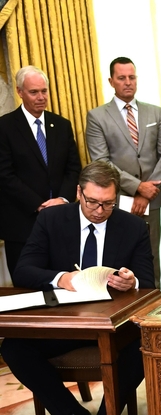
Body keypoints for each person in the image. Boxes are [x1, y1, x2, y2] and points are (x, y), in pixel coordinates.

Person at [1, 161, 155, 415]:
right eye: (93, 202)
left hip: (113, 327)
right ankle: (74, 414)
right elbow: (24, 269)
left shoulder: (133, 226)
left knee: (143, 347)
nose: (99, 210)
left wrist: (131, 282)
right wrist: (62, 278)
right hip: (65, 323)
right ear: (78, 193)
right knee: (13, 347)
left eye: (108, 204)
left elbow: (148, 281)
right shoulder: (51, 219)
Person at [86, 56, 161, 288]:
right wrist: (136, 187)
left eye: (132, 77)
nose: (128, 82)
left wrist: (146, 192)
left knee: (151, 259)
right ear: (111, 81)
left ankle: (152, 309)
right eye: (121, 78)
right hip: (116, 200)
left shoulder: (155, 112)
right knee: (119, 259)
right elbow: (102, 161)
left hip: (152, 200)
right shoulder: (97, 116)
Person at [0, 66, 81, 276]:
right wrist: (39, 205)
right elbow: (5, 175)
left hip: (61, 220)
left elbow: (73, 169)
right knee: (27, 287)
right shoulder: (5, 127)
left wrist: (62, 199)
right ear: (20, 92)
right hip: (22, 225)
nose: (41, 97)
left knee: (65, 284)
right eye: (34, 92)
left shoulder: (61, 125)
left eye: (44, 91)